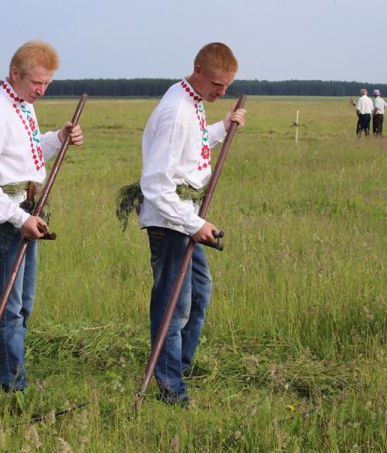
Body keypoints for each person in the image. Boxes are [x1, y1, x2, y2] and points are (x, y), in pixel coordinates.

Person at [0, 40, 84, 392]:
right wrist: (19, 219)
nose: (42, 90)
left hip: (25, 216)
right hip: (7, 222)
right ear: (15, 74)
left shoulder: (23, 105)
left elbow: (27, 158)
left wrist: (58, 138)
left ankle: (3, 378)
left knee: (22, 305)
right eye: (37, 82)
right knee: (10, 308)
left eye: (48, 83)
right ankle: (12, 388)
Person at [138, 42, 247, 406]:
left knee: (199, 293)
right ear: (197, 70)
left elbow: (192, 147)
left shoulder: (192, 100)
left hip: (186, 219)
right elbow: (155, 184)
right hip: (171, 221)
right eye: (217, 84)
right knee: (174, 305)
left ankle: (178, 366)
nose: (222, 92)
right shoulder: (176, 111)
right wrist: (192, 223)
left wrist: (223, 126)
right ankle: (170, 388)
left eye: (227, 86)